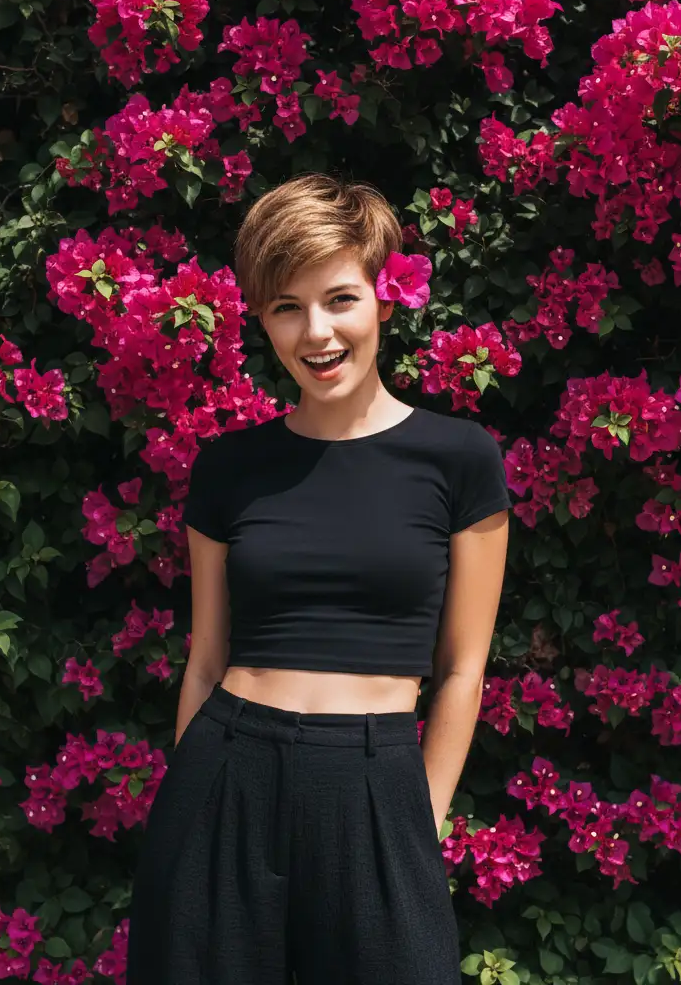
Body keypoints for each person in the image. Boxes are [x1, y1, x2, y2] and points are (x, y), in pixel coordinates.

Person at [126, 173, 511, 985]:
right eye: (286, 307)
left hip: (378, 786)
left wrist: (421, 816)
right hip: (226, 774)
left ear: (384, 299)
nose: (317, 332)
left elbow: (463, 668)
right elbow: (205, 658)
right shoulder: (231, 467)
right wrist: (195, 800)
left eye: (339, 299)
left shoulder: (459, 459)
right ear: (263, 320)